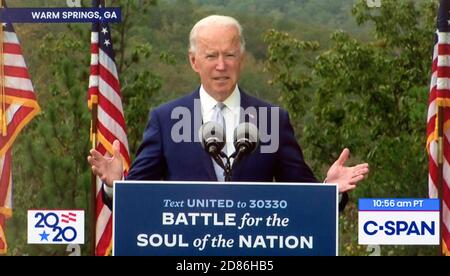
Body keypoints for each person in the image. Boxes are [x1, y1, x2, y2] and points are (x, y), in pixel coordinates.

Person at [88, 15, 369, 210]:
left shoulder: (271, 120)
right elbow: (137, 199)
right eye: (211, 56)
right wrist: (116, 186)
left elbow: (301, 197)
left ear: (242, 59)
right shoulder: (166, 119)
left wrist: (329, 192)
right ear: (193, 61)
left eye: (230, 55)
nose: (221, 65)